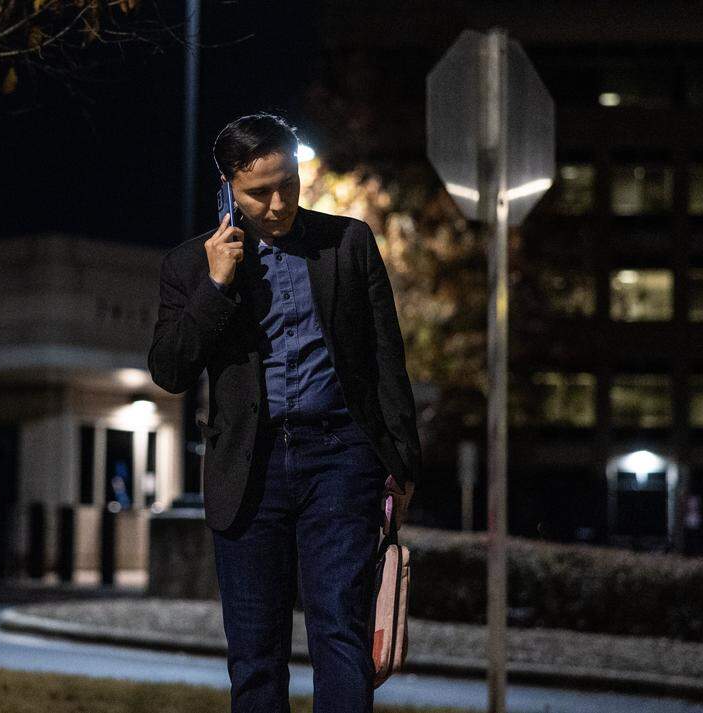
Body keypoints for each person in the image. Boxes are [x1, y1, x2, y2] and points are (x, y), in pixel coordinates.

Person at [147, 112, 420, 712]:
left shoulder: (347, 244)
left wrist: (401, 462)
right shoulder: (190, 265)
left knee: (341, 636)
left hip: (341, 460)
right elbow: (169, 370)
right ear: (226, 188)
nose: (277, 203)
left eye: (288, 183)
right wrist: (216, 286)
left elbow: (385, 360)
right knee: (254, 655)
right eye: (258, 191)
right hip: (251, 467)